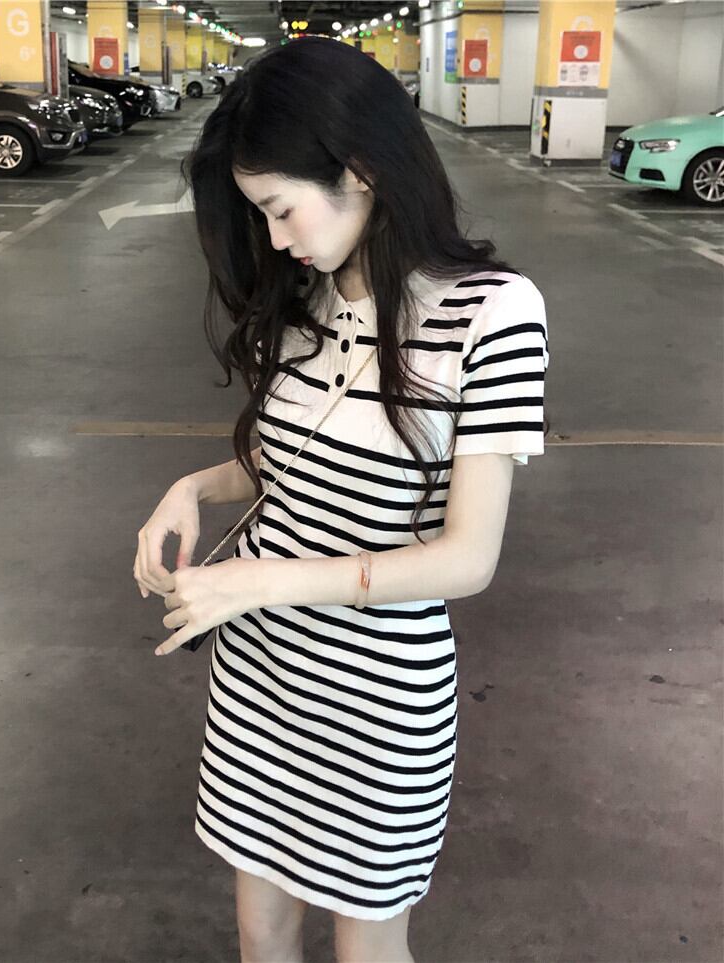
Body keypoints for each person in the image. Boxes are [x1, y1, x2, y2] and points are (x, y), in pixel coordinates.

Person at [133, 36, 550, 963]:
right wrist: (189, 488)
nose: (277, 238)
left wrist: (260, 581)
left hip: (377, 704)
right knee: (261, 931)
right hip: (260, 679)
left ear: (359, 168)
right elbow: (284, 462)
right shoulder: (307, 301)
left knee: (368, 948)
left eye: (280, 208)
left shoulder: (493, 312)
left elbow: (467, 558)